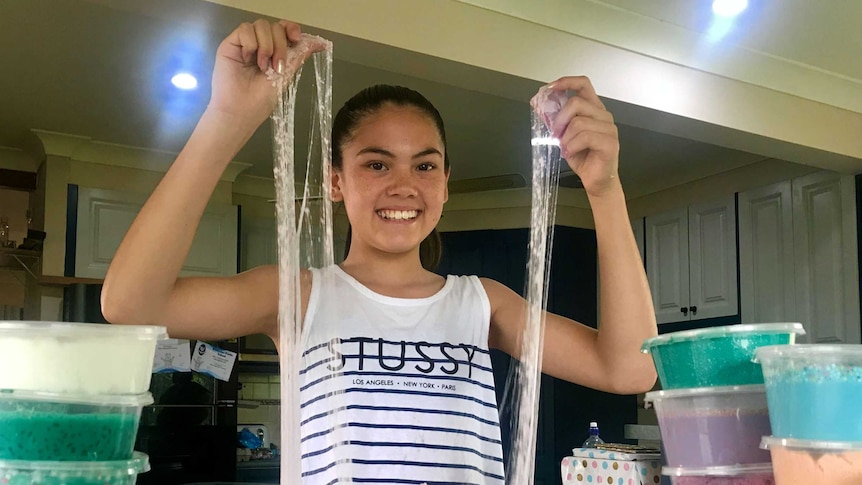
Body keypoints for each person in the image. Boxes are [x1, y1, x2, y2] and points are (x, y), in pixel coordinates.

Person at [102, 19, 658, 484]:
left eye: (424, 164)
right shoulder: (298, 296)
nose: (404, 185)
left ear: (444, 181)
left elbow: (630, 369)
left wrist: (604, 190)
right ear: (337, 182)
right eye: (375, 163)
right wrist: (226, 119)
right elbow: (129, 304)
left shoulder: (483, 305)